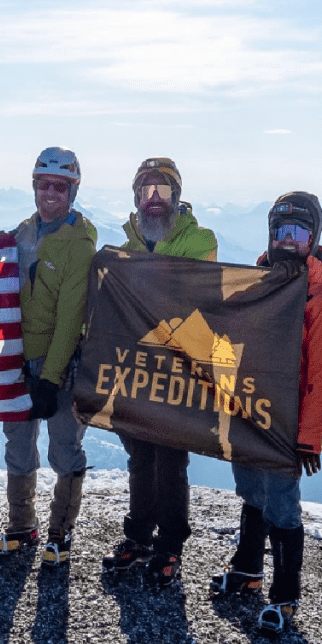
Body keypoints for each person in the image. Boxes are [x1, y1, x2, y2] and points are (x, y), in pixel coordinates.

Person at [211, 191, 322, 633]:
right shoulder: (254, 287)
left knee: (283, 508)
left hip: (287, 426)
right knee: (252, 493)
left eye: (299, 234)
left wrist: (310, 437)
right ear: (271, 235)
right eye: (281, 232)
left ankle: (285, 596)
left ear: (314, 239)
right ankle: (248, 573)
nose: (289, 243)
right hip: (248, 413)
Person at [102, 157, 218, 587]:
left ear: (177, 197)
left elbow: (187, 294)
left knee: (170, 459)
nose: (154, 200)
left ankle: (170, 545)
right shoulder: (127, 247)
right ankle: (139, 536)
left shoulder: (200, 240)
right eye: (146, 192)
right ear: (135, 198)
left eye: (163, 191)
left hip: (180, 370)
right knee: (140, 456)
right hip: (136, 369)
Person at [0, 146, 97, 566]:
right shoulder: (22, 233)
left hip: (62, 366)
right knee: (18, 445)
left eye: (59, 186)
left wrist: (50, 378)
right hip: (19, 363)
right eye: (43, 184)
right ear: (34, 187)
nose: (49, 193)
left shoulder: (80, 243)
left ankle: (61, 532)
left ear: (72, 190)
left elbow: (71, 318)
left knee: (64, 447)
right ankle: (22, 525)